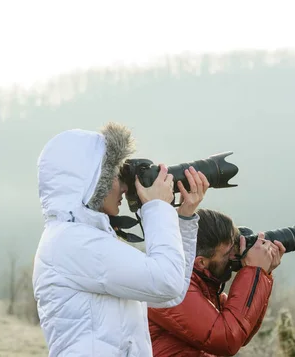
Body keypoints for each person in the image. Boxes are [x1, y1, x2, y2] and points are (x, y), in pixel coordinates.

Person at [32, 122, 210, 356]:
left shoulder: (79, 238)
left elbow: (168, 295)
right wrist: (157, 206)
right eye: (115, 174)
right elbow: (166, 282)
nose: (124, 187)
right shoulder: (73, 241)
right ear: (92, 181)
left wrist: (183, 218)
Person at [147, 208, 286, 356]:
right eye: (228, 253)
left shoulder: (203, 284)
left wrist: (263, 273)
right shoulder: (173, 286)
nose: (235, 257)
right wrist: (255, 272)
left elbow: (242, 331)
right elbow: (227, 339)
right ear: (201, 262)